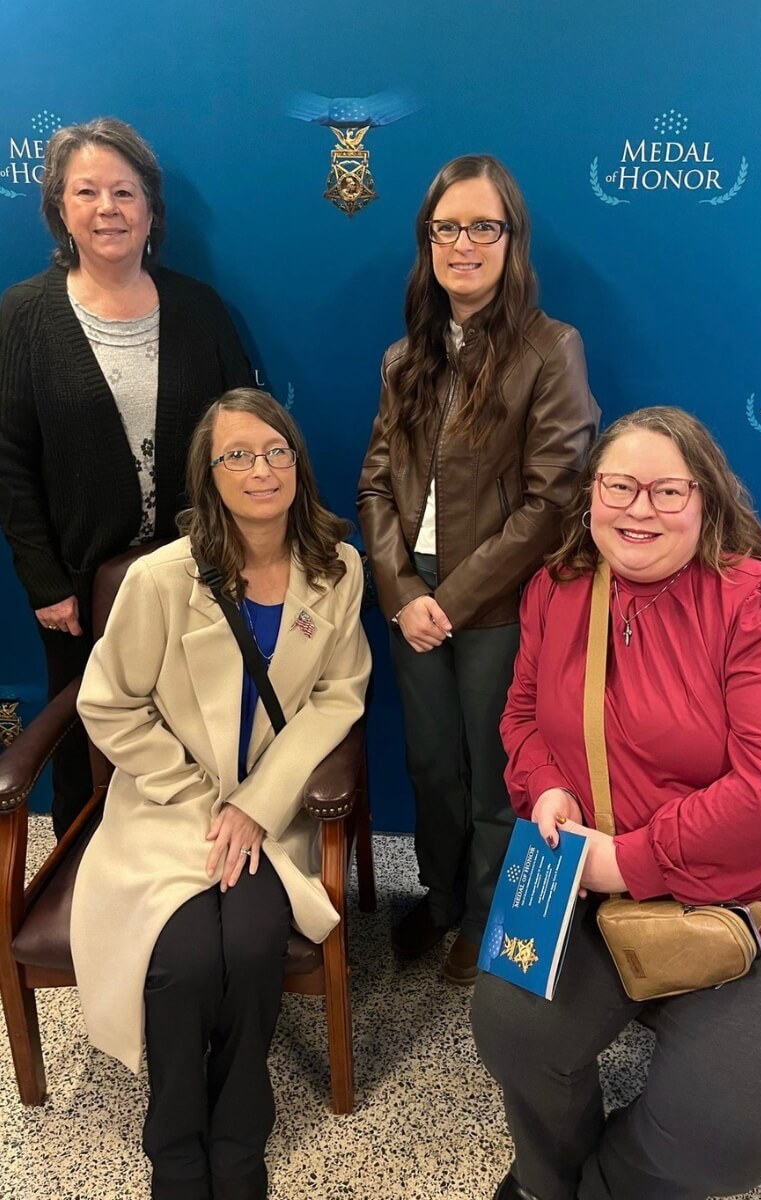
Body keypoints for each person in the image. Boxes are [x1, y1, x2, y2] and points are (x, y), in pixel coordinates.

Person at [471, 406, 761, 1200]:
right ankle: (550, 1178)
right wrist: (544, 785)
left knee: (724, 1137)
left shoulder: (758, 603)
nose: (638, 509)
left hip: (755, 900)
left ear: (708, 502)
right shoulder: (557, 588)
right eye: (620, 486)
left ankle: (616, 1185)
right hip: (591, 882)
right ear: (591, 498)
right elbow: (521, 716)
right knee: (510, 1028)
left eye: (666, 491)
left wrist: (625, 859)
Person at [70, 388, 371, 1200]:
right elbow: (106, 702)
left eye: (275, 450)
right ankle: (175, 1146)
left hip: (270, 813)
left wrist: (257, 804)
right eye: (236, 455)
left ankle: (239, 1135)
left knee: (247, 945)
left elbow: (339, 695)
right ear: (208, 474)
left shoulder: (336, 567)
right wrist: (201, 795)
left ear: (297, 463)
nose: (260, 468)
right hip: (170, 806)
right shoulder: (162, 579)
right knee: (184, 960)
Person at [357, 154, 599, 984]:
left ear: (511, 238)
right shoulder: (406, 355)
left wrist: (448, 600)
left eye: (482, 226)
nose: (464, 243)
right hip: (411, 595)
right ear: (428, 240)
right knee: (429, 761)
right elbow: (375, 484)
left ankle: (489, 908)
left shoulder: (550, 349)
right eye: (446, 228)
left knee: (496, 771)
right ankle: (442, 894)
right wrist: (401, 591)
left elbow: (553, 501)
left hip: (494, 600)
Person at [0, 117, 254, 838]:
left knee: (192, 725)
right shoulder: (21, 316)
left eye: (124, 191)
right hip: (79, 587)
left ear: (150, 209)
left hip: (197, 574)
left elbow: (244, 432)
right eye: (87, 192)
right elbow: (9, 462)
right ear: (60, 208)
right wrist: (44, 582)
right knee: (88, 731)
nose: (106, 208)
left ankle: (191, 866)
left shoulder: (199, 309)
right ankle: (84, 858)